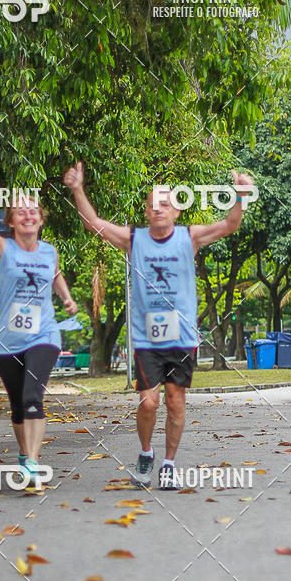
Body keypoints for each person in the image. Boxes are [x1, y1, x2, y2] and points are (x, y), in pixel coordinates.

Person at [63, 161, 253, 489]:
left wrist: (240, 196)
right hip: (147, 337)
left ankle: (168, 463)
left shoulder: (189, 237)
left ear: (177, 211)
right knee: (149, 401)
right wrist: (78, 189)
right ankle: (146, 452)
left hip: (181, 337)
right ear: (146, 212)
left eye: (165, 203)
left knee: (176, 400)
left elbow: (229, 226)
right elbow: (93, 223)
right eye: (152, 204)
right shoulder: (134, 240)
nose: (158, 208)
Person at [0, 167, 78, 484]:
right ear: (11, 221)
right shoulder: (1, 248)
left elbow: (54, 274)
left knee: (33, 397)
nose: (27, 215)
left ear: (40, 219)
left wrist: (66, 297)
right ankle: (25, 454)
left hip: (44, 334)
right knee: (18, 405)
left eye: (33, 210)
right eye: (20, 211)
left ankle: (33, 463)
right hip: (7, 341)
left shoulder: (50, 251)